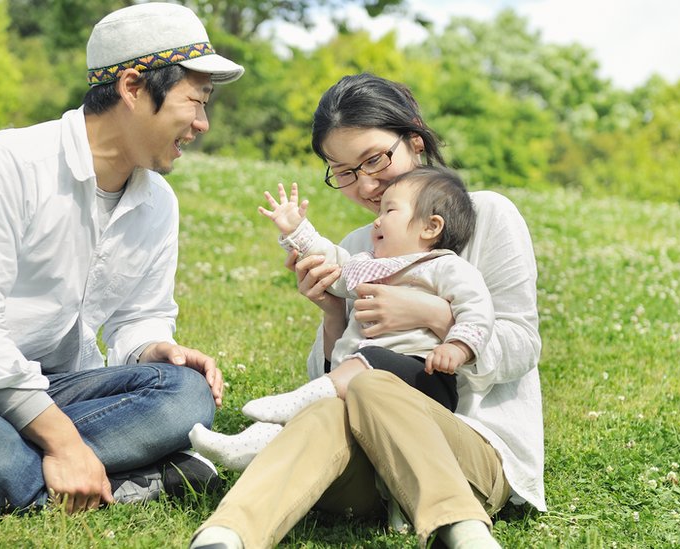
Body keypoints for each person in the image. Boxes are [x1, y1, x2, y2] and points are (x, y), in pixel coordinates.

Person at [0, 2, 243, 523]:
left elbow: (137, 319)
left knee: (185, 395)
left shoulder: (158, 203)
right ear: (132, 87)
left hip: (53, 383)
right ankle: (115, 483)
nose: (202, 123)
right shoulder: (5, 164)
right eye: (195, 102)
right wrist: (62, 442)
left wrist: (154, 347)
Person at [190, 73, 545, 549]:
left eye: (374, 159)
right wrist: (332, 315)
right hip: (369, 473)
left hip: (470, 456)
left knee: (374, 381)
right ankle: (224, 536)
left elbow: (522, 344)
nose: (366, 184)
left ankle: (461, 531)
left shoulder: (488, 217)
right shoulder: (362, 248)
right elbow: (333, 381)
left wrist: (436, 317)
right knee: (325, 411)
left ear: (414, 140)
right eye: (345, 171)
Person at [189, 167, 495, 469]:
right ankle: (246, 446)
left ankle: (307, 396)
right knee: (322, 414)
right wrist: (297, 230)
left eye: (390, 210)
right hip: (360, 381)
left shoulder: (445, 268)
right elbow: (331, 262)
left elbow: (478, 313)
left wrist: (456, 347)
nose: (377, 219)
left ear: (430, 227)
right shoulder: (371, 265)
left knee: (368, 360)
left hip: (423, 379)